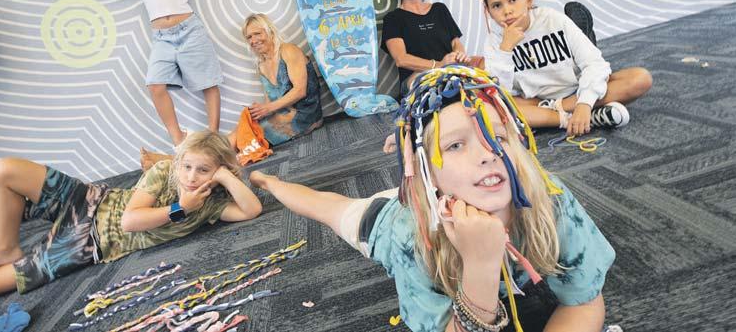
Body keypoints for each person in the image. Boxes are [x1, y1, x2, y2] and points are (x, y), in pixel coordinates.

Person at [250, 65, 617, 332]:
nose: (487, 154)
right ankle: (271, 181)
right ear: (427, 170)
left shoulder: (550, 197)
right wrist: (480, 265)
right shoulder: (410, 234)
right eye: (456, 145)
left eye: (497, 137)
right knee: (325, 206)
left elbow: (584, 302)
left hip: (442, 190)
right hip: (389, 215)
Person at [0, 131, 262, 301]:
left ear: (216, 173)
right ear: (178, 163)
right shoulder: (165, 171)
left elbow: (252, 210)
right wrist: (180, 208)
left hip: (88, 244)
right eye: (186, 166)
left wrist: (226, 175)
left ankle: (7, 248)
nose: (191, 177)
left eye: (204, 170)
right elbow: (130, 217)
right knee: (3, 171)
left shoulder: (210, 205)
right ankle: (4, 247)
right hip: (91, 200)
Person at [92, 0, 223, 147]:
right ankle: (178, 139)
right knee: (155, 84)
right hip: (163, 39)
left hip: (190, 31)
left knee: (207, 82)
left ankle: (213, 136)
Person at [480, 0, 652, 136]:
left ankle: (562, 113)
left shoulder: (552, 19)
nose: (507, 11)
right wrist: (505, 49)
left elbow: (594, 64)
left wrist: (584, 102)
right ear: (489, 12)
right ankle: (578, 119)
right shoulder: (495, 40)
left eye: (513, 0)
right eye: (497, 6)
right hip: (538, 101)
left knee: (640, 78)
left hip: (576, 89)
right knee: (492, 107)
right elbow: (499, 92)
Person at [381, 0, 475, 95]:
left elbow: (455, 42)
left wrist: (459, 55)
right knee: (442, 86)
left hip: (449, 71)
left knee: (478, 75)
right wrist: (439, 65)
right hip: (416, 77)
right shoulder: (393, 19)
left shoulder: (439, 9)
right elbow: (401, 59)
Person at [231, 14, 323, 147]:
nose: (253, 40)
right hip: (283, 114)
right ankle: (211, 155)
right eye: (249, 37)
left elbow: (300, 91)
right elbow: (270, 100)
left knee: (245, 136)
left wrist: (267, 108)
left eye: (257, 33)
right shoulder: (261, 65)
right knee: (242, 129)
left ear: (270, 31)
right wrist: (258, 111)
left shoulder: (288, 50)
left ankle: (217, 155)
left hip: (305, 115)